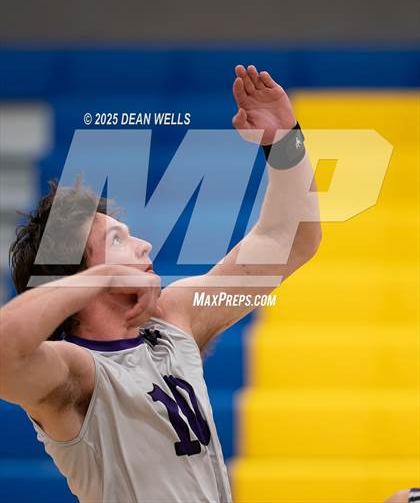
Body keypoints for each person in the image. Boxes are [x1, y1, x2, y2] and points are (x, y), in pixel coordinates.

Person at [0, 65, 321, 503]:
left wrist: (283, 140)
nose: (144, 245)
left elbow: (291, 239)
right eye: (118, 240)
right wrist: (106, 277)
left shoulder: (173, 318)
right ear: (81, 276)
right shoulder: (75, 372)